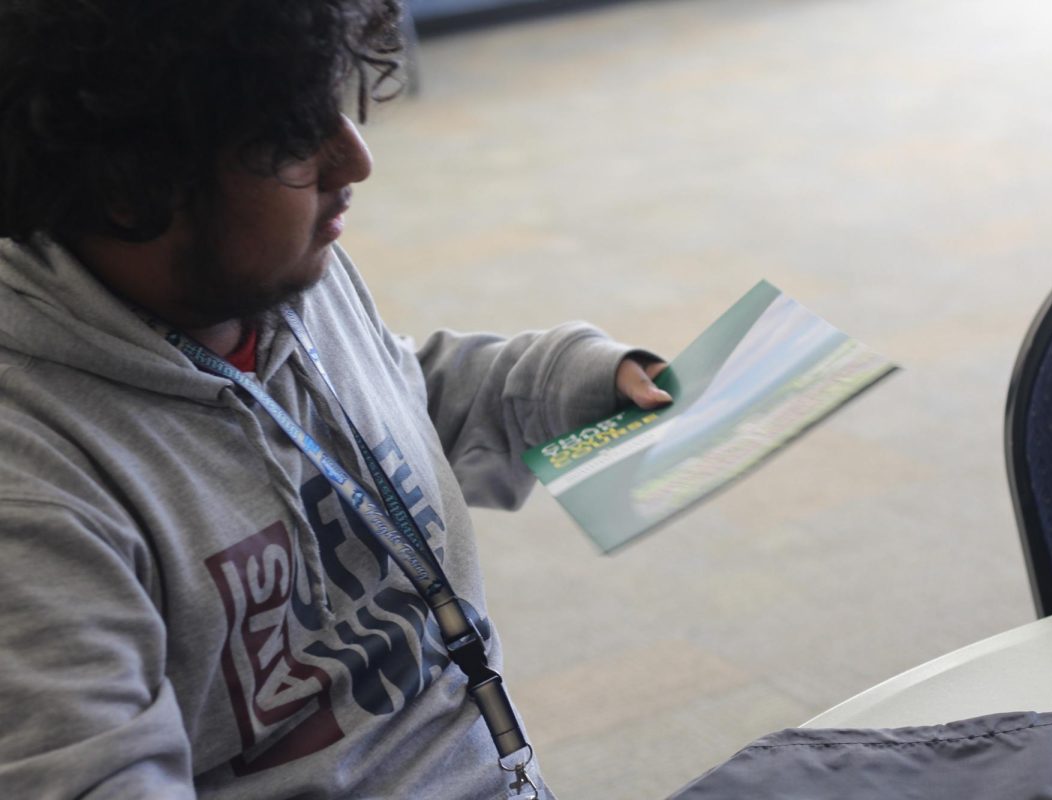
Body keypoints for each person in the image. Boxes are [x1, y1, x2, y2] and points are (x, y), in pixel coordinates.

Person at [0, 1, 670, 797]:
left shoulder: (269, 277)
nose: (354, 160)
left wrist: (574, 378)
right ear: (130, 184)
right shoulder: (32, 486)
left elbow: (387, 422)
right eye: (289, 140)